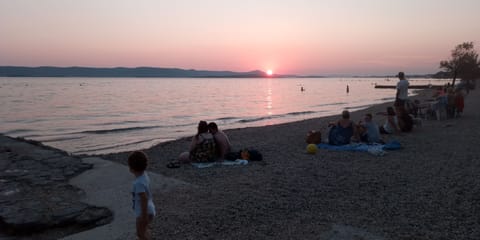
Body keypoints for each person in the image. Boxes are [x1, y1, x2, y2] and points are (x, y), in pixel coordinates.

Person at [128, 151, 156, 240]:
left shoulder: (138, 183)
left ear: (131, 169)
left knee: (140, 233)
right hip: (150, 209)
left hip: (144, 212)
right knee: (144, 229)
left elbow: (144, 199)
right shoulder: (144, 175)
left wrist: (144, 217)